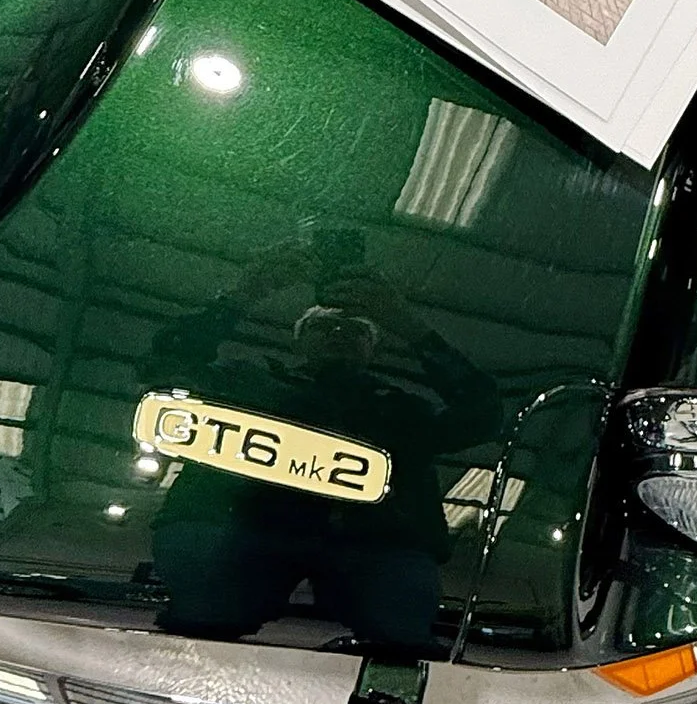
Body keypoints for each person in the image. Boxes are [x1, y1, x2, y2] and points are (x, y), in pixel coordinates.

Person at [147, 241, 501, 653]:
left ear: (374, 348)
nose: (338, 335)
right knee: (199, 625)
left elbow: (482, 416)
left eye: (355, 330)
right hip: (236, 541)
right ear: (299, 340)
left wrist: (407, 324)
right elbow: (164, 367)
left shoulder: (403, 411)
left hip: (375, 554)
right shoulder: (247, 384)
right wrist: (244, 294)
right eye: (323, 327)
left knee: (403, 636)